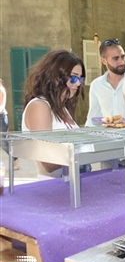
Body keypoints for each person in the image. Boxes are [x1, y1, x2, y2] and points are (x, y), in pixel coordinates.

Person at [21, 50, 87, 178]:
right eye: (73, 77)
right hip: (53, 188)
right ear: (56, 78)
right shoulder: (39, 106)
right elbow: (48, 162)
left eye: (80, 78)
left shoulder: (62, 107)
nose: (78, 83)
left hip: (72, 184)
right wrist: (89, 148)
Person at [85, 38, 125, 126]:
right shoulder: (96, 85)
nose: (121, 61)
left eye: (123, 56)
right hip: (109, 137)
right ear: (104, 61)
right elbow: (93, 118)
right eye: (116, 58)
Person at [1, 79, 19, 170]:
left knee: (3, 142)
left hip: (1, 117)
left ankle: (15, 159)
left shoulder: (1, 89)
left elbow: (2, 106)